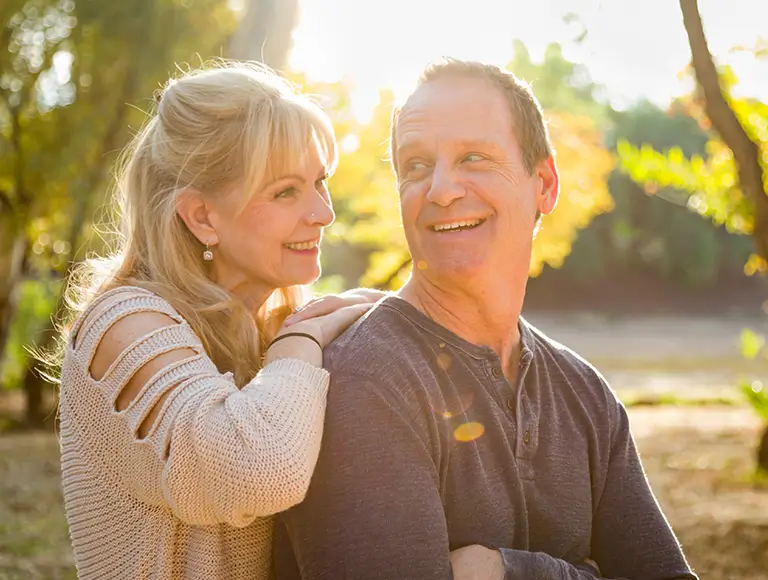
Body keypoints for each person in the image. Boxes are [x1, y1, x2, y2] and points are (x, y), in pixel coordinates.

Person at [273, 59, 699, 580]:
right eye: (416, 166)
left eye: (473, 157)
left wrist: (510, 573)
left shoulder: (586, 395)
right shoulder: (365, 383)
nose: (441, 189)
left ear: (543, 183)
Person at [55, 61, 386, 580]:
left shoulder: (274, 324)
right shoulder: (122, 325)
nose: (323, 213)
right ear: (202, 217)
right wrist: (302, 338)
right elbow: (258, 472)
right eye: (285, 192)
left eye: (319, 183)